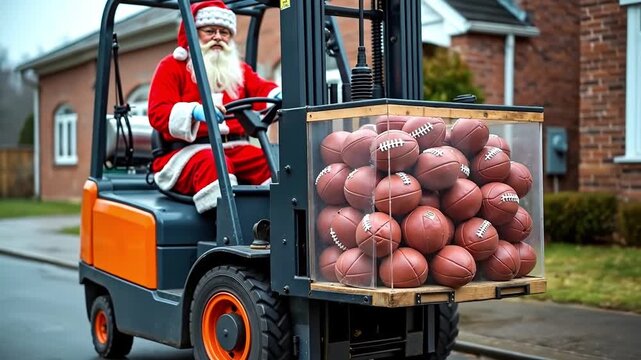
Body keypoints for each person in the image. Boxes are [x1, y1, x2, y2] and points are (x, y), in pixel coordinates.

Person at [148, 0, 281, 213]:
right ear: (193, 34)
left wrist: (278, 95)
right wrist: (194, 112)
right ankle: (226, 227)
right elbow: (158, 112)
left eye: (224, 32)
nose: (218, 37)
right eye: (209, 31)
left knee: (275, 162)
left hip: (234, 148)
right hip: (187, 151)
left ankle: (274, 223)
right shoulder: (172, 67)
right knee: (215, 164)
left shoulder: (238, 70)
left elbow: (262, 90)